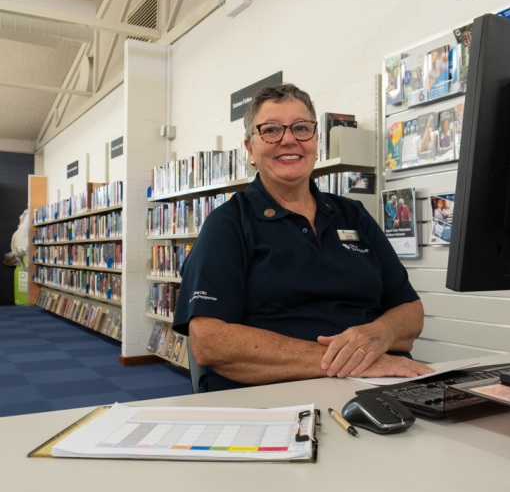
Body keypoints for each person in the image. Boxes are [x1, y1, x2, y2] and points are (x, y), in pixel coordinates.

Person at [173, 83, 431, 392]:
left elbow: (410, 310)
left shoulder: (354, 215)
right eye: (271, 130)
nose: (289, 139)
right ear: (250, 149)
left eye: (301, 128)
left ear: (316, 141)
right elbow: (210, 342)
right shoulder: (227, 225)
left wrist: (380, 335)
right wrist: (351, 362)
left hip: (376, 385)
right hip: (276, 397)